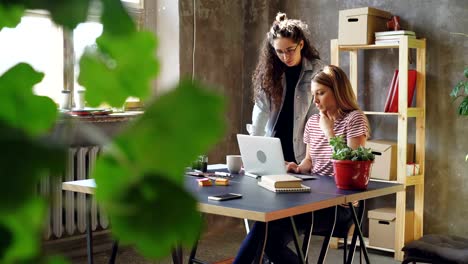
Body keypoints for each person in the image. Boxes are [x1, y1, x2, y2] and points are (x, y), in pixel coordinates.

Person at [234, 65, 370, 264]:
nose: (315, 100)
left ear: (338, 92)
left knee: (265, 232)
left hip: (339, 207)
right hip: (310, 199)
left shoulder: (354, 119)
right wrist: (297, 168)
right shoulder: (313, 121)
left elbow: (351, 165)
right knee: (265, 234)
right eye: (313, 94)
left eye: (321, 93)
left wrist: (329, 132)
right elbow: (309, 161)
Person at [249, 12, 325, 164]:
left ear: (301, 44)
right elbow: (260, 112)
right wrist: (251, 154)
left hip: (301, 155)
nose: (285, 57)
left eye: (290, 50)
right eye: (279, 52)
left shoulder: (318, 71)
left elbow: (316, 117)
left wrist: (310, 159)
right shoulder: (269, 72)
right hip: (272, 151)